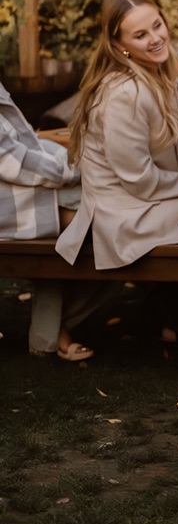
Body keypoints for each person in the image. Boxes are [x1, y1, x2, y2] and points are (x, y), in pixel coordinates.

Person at [54, 0, 178, 355]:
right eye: (140, 35)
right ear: (119, 45)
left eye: (157, 26)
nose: (155, 38)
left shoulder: (154, 75)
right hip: (120, 213)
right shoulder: (124, 92)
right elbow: (138, 179)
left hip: (140, 202)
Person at [1, 78, 98, 362]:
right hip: (15, 207)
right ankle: (52, 331)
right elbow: (13, 161)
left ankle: (48, 333)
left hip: (26, 199)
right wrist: (74, 169)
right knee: (113, 226)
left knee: (103, 224)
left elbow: (26, 141)